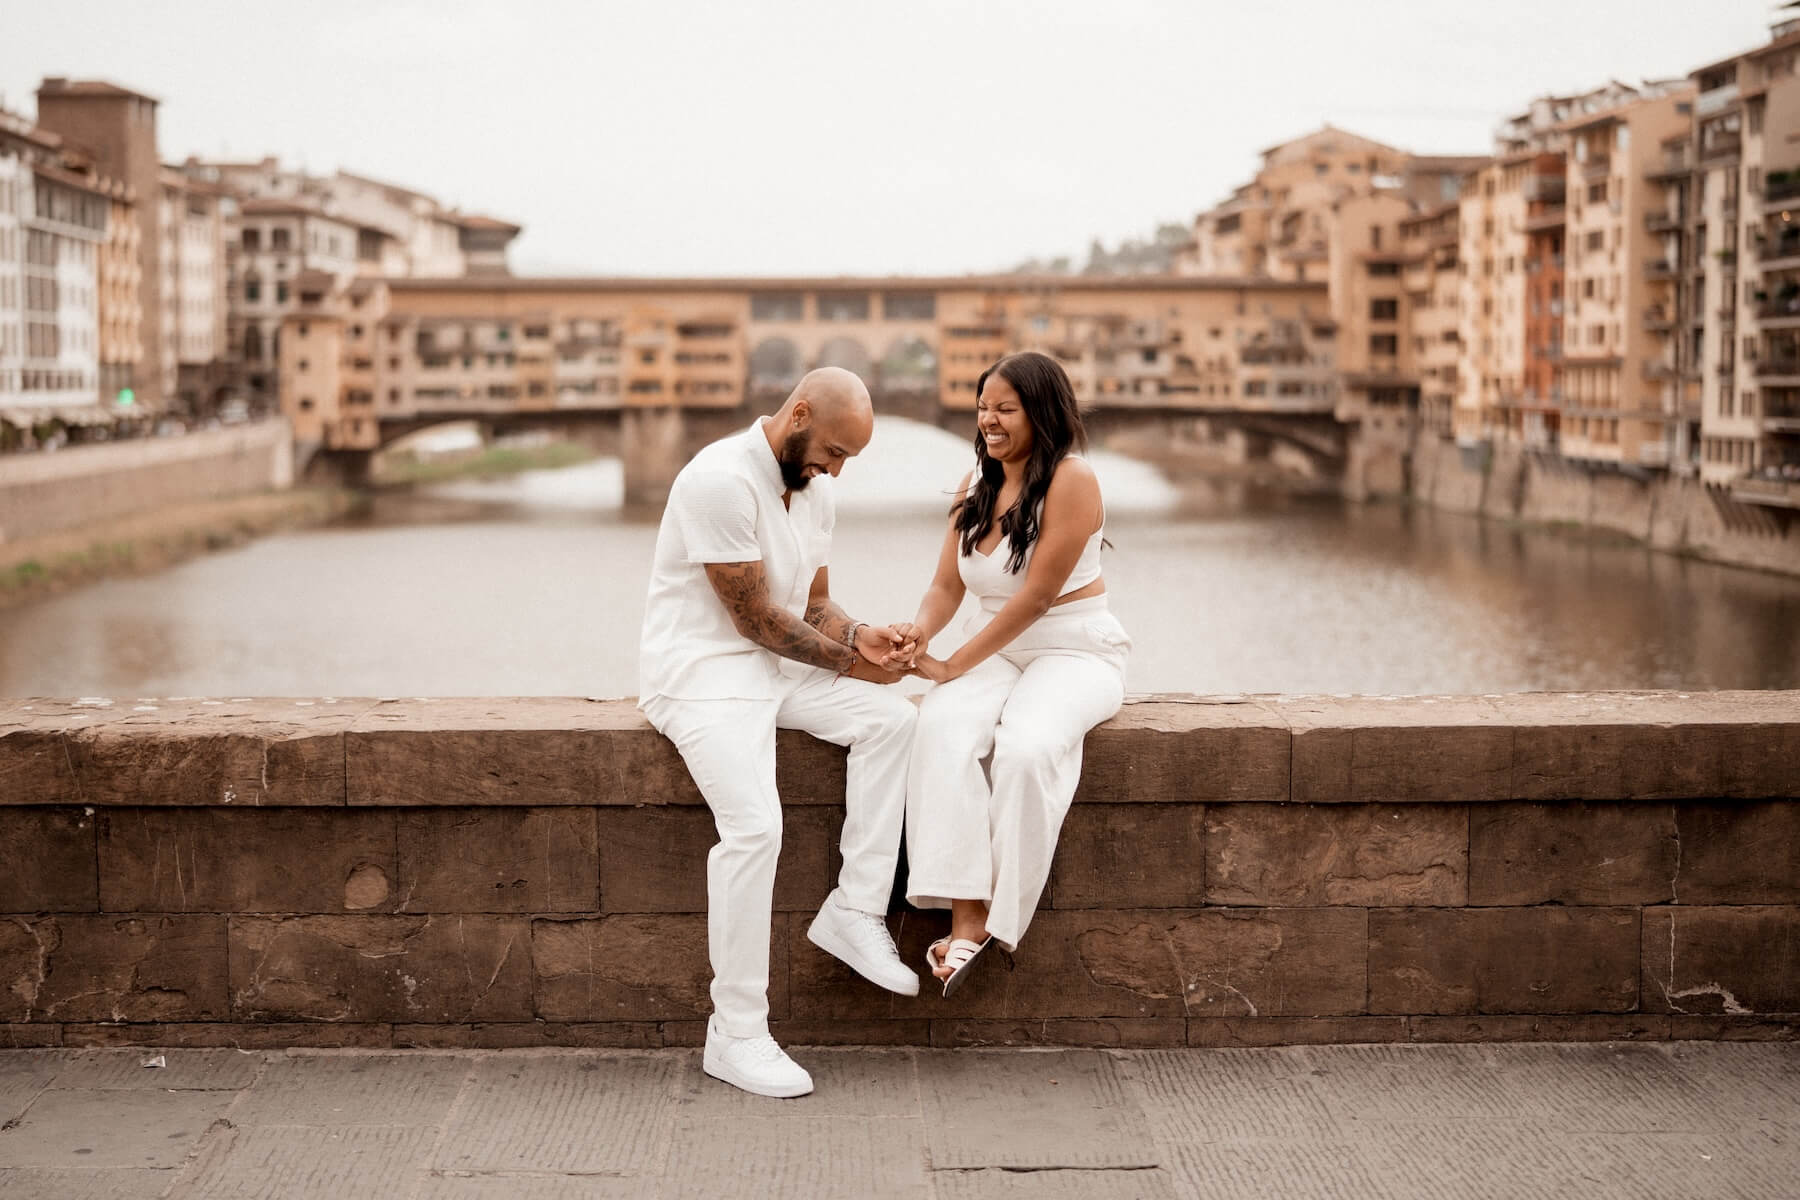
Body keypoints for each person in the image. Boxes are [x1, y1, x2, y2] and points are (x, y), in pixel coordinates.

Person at [639, 367, 919, 1098]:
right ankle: (734, 1033)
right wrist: (853, 666)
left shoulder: (816, 489)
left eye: (848, 459)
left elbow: (814, 605)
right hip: (703, 674)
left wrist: (861, 635)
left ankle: (855, 909)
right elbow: (756, 618)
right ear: (798, 414)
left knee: (894, 721)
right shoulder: (719, 481)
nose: (838, 470)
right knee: (756, 829)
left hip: (774, 671)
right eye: (834, 451)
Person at [892, 351, 1131, 995]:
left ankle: (1003, 918)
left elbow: (1036, 598)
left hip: (1073, 648)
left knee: (1026, 748)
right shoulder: (976, 480)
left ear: (1041, 412)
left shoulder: (1073, 479)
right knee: (939, 728)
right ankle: (965, 915)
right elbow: (946, 586)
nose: (988, 420)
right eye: (982, 407)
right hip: (994, 646)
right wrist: (919, 634)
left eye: (1005, 408)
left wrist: (950, 664)